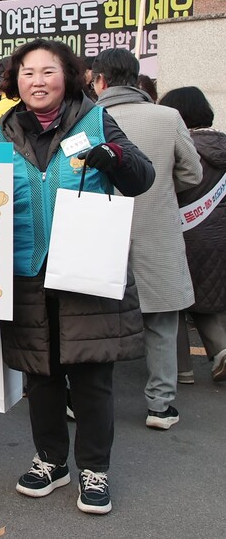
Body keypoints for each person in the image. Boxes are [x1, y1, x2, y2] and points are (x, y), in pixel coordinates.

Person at [0, 39, 155, 515]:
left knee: (90, 377)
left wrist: (116, 158)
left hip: (87, 266)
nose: (37, 81)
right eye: (27, 72)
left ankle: (94, 470)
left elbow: (141, 177)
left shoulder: (97, 119)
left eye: (48, 71)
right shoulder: (2, 132)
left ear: (69, 75)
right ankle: (50, 460)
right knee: (40, 376)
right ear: (15, 80)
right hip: (26, 269)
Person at [93, 49, 202, 430]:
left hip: (99, 235)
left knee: (95, 324)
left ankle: (82, 401)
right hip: (156, 229)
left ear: (100, 80)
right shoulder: (167, 117)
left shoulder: (87, 119)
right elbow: (192, 174)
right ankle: (160, 405)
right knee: (161, 322)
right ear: (136, 78)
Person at [158, 87, 226, 384]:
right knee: (208, 300)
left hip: (184, 235)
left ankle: (181, 369)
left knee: (174, 302)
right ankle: (221, 352)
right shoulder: (223, 146)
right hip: (218, 237)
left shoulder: (183, 148)